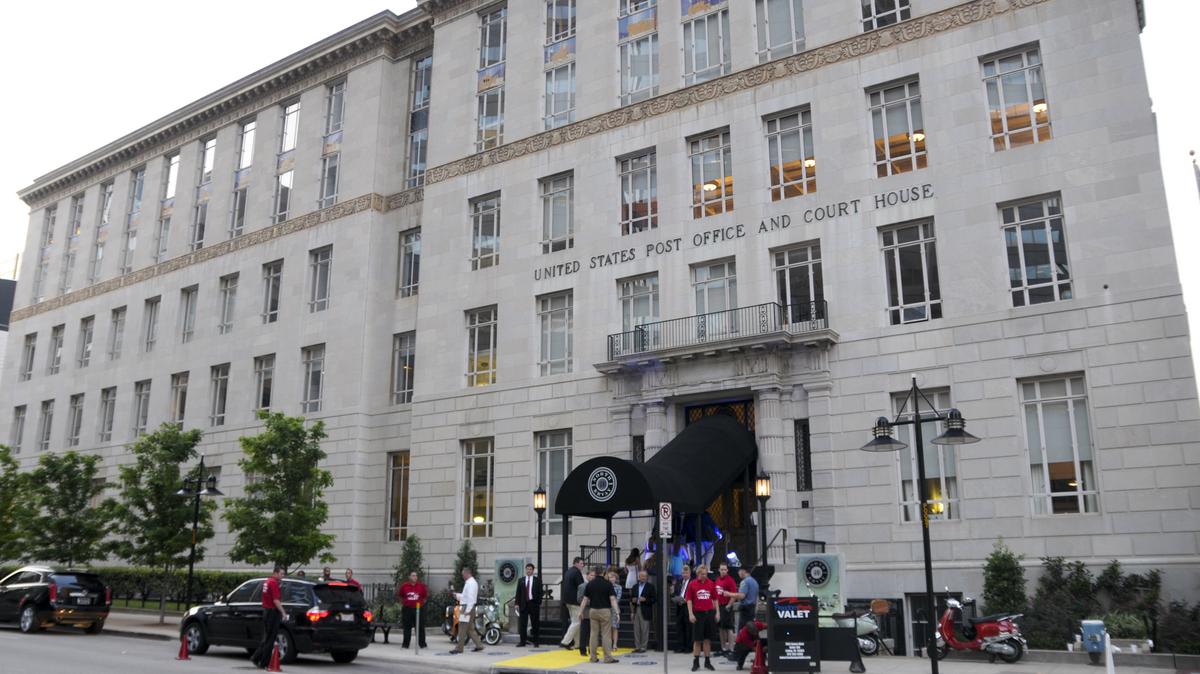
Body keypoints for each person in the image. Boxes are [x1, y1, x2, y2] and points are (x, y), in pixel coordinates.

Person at [579, 565, 619, 664]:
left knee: (593, 634)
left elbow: (585, 599)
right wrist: (617, 612)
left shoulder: (590, 584)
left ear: (595, 573)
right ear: (603, 573)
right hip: (605, 611)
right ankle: (607, 657)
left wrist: (580, 612)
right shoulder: (608, 584)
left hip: (593, 611)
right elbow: (613, 599)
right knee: (606, 635)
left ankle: (593, 658)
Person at [251, 566, 287, 669]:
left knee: (267, 638)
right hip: (272, 612)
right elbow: (276, 600)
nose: (283, 576)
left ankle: (256, 657)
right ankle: (264, 663)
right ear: (275, 573)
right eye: (281, 573)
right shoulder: (273, 583)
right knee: (270, 639)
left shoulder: (267, 581)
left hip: (267, 611)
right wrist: (283, 612)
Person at [686, 563, 719, 671]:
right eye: (702, 574)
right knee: (697, 640)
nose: (705, 576)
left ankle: (707, 662)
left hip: (709, 613)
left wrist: (717, 612)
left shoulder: (711, 583)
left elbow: (715, 599)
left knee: (707, 639)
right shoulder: (692, 584)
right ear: (698, 574)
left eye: (706, 574)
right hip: (698, 614)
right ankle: (696, 662)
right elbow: (689, 600)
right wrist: (690, 614)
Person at [450, 567, 484, 654]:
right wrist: (457, 595)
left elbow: (470, 598)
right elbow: (466, 596)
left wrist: (467, 611)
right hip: (469, 607)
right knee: (470, 629)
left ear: (467, 573)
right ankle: (479, 645)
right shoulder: (471, 582)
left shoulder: (470, 583)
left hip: (467, 608)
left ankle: (459, 648)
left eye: (463, 574)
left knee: (462, 628)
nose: (462, 576)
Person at [559, 557, 585, 651]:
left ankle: (577, 644)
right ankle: (565, 642)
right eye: (581, 563)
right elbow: (581, 587)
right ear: (576, 563)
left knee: (576, 622)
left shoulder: (568, 572)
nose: (583, 565)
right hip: (575, 601)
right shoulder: (577, 572)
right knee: (577, 622)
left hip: (567, 601)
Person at [397, 571, 428, 649]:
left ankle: (422, 644)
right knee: (407, 627)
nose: (415, 577)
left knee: (420, 627)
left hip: (418, 609)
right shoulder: (404, 586)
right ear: (409, 577)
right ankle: (405, 644)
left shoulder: (421, 586)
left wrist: (420, 604)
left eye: (416, 576)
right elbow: (400, 596)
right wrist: (405, 603)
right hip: (407, 609)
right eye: (413, 575)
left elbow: (425, 597)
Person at [714, 562, 738, 656]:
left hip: (726, 606)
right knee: (721, 628)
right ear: (719, 570)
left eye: (725, 569)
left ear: (727, 570)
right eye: (722, 569)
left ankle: (731, 649)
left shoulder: (730, 580)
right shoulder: (717, 580)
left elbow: (734, 594)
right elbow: (716, 594)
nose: (723, 571)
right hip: (719, 606)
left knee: (729, 627)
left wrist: (729, 605)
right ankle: (723, 648)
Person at [516, 563, 542, 647]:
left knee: (535, 624)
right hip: (524, 604)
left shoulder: (537, 580)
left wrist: (538, 603)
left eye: (530, 569)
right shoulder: (521, 580)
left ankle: (536, 642)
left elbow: (540, 592)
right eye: (527, 569)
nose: (528, 571)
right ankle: (522, 642)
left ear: (533, 570)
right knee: (523, 624)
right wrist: (517, 603)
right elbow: (518, 593)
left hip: (533, 604)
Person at [631, 569, 656, 653]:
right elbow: (631, 598)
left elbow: (654, 599)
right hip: (636, 609)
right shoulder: (635, 587)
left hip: (645, 609)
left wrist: (645, 600)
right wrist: (633, 600)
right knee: (636, 629)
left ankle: (643, 647)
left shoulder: (650, 587)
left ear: (647, 577)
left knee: (644, 629)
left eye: (645, 576)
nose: (643, 578)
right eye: (642, 576)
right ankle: (637, 647)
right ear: (639, 577)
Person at [672, 565, 693, 653]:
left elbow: (694, 595)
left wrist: (686, 600)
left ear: (690, 573)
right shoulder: (679, 582)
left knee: (688, 628)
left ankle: (688, 647)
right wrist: (676, 599)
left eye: (686, 573)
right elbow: (676, 593)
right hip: (679, 607)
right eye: (683, 573)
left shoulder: (692, 582)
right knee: (679, 627)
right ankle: (680, 646)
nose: (684, 574)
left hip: (688, 607)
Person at [576, 568, 595, 656]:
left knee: (593, 632)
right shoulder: (582, 586)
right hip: (586, 612)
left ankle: (592, 649)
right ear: (587, 576)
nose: (593, 577)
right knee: (584, 632)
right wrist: (591, 602)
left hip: (594, 612)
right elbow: (579, 599)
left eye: (594, 575)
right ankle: (582, 649)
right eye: (591, 575)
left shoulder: (596, 586)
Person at [607, 569, 622, 648]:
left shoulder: (619, 587)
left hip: (615, 608)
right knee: (607, 628)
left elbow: (618, 598)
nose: (611, 579)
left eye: (613, 577)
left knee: (615, 627)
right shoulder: (606, 586)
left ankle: (615, 644)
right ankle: (608, 644)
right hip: (606, 608)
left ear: (616, 578)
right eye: (610, 577)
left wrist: (612, 602)